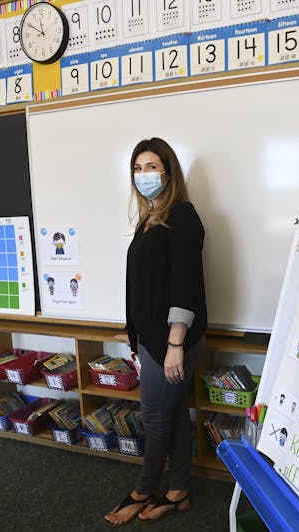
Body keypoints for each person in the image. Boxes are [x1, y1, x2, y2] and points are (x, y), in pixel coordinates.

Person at [105, 138, 207, 527]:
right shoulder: (149, 219)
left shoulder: (181, 215)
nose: (144, 175)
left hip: (173, 342)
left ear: (168, 172)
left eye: (152, 167)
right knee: (176, 414)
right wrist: (133, 331)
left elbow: (185, 285)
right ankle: (177, 492)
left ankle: (143, 490)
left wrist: (175, 344)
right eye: (138, 168)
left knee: (155, 418)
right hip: (153, 340)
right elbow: (147, 285)